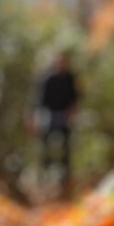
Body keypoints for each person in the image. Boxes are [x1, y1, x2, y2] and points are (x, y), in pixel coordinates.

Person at [35, 51, 80, 198]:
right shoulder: (47, 78)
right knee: (45, 149)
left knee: (66, 150)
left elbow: (75, 98)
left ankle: (65, 182)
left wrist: (71, 114)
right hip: (49, 115)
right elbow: (39, 101)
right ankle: (43, 180)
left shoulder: (69, 78)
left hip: (64, 115)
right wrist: (35, 118)